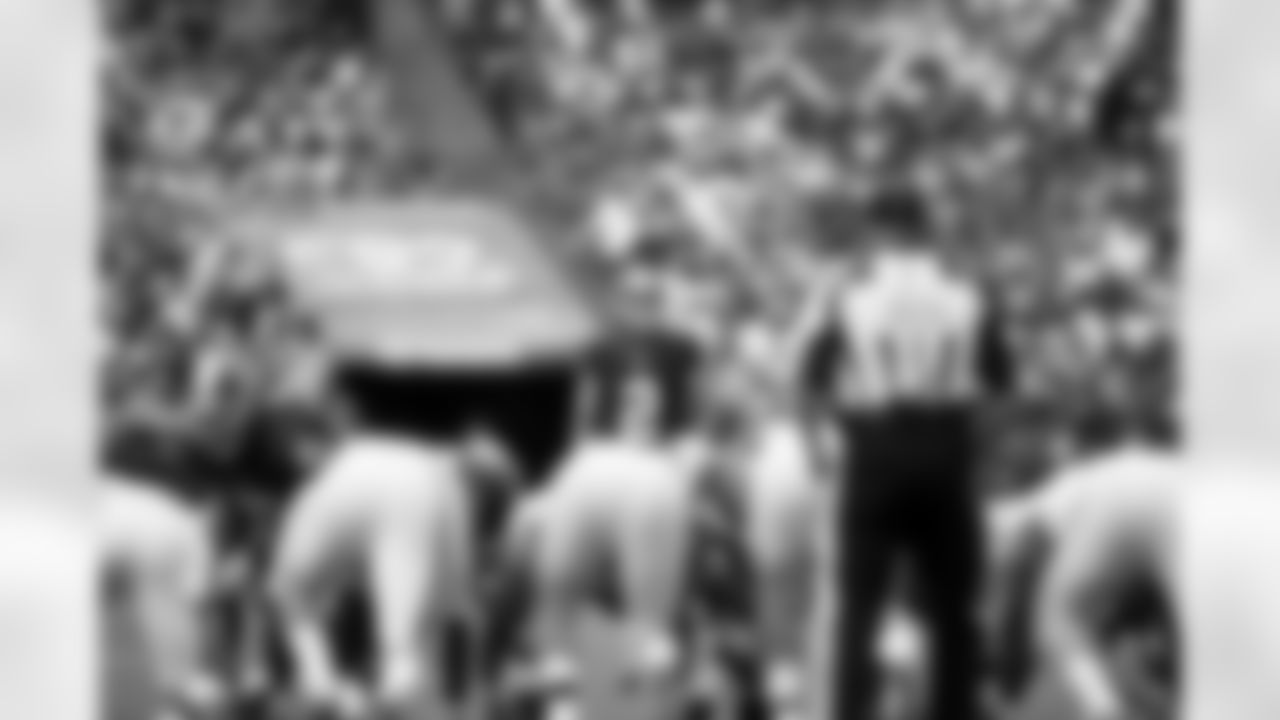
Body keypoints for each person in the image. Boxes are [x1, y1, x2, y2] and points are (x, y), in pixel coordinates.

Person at [795, 188, 1015, 720]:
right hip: (946, 445)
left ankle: (852, 711)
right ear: (925, 230)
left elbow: (809, 381)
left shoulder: (852, 293)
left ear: (876, 231)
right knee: (954, 609)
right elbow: (1003, 387)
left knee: (858, 607)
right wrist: (978, 451)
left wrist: (815, 451)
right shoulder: (967, 293)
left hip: (875, 447)